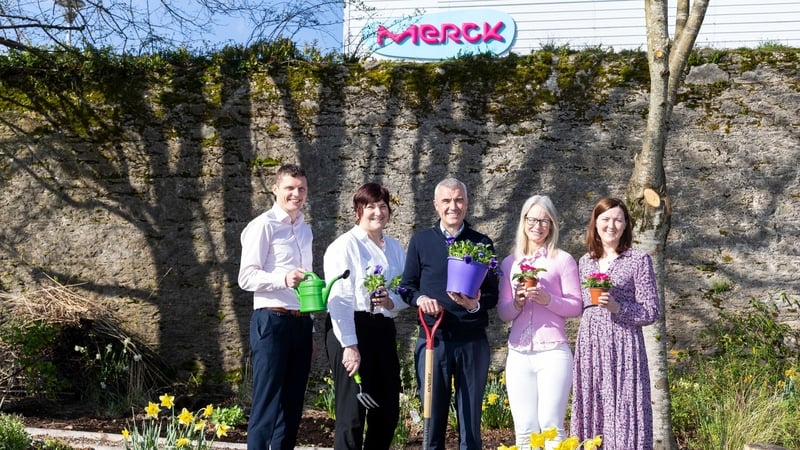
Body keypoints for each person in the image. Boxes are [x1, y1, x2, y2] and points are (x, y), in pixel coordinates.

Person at [400, 177, 499, 450]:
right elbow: (406, 287)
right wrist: (421, 299)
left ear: (467, 203)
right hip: (434, 341)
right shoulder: (421, 241)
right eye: (446, 200)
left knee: (470, 423)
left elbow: (493, 294)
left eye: (458, 200)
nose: (452, 206)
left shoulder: (481, 243)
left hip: (472, 342)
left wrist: (474, 305)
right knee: (432, 420)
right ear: (436, 205)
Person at [570, 197, 661, 450]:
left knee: (624, 407)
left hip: (624, 347)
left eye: (618, 220)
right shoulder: (584, 262)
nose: (612, 225)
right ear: (595, 224)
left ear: (625, 225)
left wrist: (617, 308)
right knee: (593, 403)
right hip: (591, 344)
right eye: (605, 219)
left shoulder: (639, 260)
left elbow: (652, 311)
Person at [323, 182, 408, 449]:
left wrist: (391, 302)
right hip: (350, 329)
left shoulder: (395, 248)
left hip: (382, 330)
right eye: (370, 206)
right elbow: (339, 299)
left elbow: (407, 290)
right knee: (352, 416)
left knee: (387, 411)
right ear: (358, 211)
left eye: (383, 206)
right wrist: (350, 346)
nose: (377, 212)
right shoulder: (344, 246)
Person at [237, 163, 314, 450]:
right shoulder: (262, 226)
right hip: (271, 320)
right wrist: (283, 278)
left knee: (293, 403)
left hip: (301, 323)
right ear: (275, 189)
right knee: (267, 400)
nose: (296, 194)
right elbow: (246, 277)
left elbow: (305, 284)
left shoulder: (305, 230)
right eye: (290, 188)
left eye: (301, 189)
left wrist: (310, 323)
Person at [497, 195, 582, 449]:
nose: (538, 225)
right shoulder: (510, 263)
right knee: (524, 429)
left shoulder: (562, 260)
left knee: (551, 425)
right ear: (523, 222)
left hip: (553, 353)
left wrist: (547, 299)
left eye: (545, 220)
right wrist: (518, 303)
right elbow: (503, 313)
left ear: (553, 225)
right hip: (518, 354)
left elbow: (576, 306)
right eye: (532, 219)